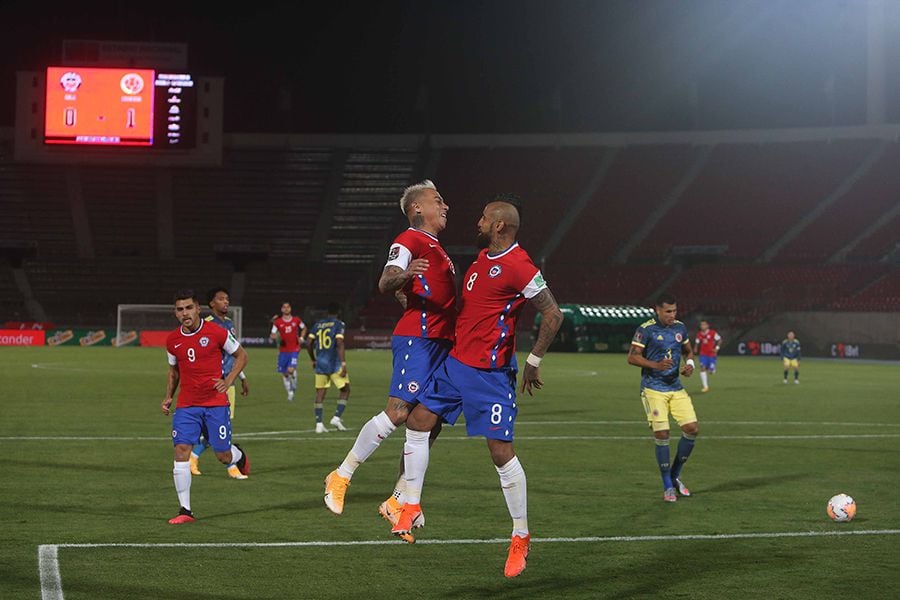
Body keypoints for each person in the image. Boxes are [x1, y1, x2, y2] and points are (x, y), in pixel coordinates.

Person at [392, 197, 563, 578]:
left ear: (500, 225)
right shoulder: (482, 259)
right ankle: (411, 503)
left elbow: (553, 314)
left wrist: (533, 361)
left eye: (485, 217)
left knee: (500, 452)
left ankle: (520, 535)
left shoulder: (520, 265)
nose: (478, 221)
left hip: (491, 373)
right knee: (418, 421)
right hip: (456, 364)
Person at [323, 179, 456, 541]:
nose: (445, 206)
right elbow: (386, 280)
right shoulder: (409, 240)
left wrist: (408, 291)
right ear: (417, 210)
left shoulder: (437, 249)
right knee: (398, 412)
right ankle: (342, 474)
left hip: (442, 344)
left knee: (429, 423)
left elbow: (410, 292)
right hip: (420, 340)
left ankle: (399, 500)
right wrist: (401, 276)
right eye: (437, 200)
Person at [161, 290, 250, 524]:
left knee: (223, 455)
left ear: (198, 308)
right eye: (180, 309)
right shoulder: (173, 340)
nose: (184, 313)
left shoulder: (216, 332)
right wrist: (168, 396)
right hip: (187, 405)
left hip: (215, 404)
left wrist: (229, 380)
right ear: (175, 313)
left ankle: (238, 455)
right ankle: (185, 510)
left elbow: (242, 355)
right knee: (181, 450)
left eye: (188, 308)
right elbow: (174, 372)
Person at [628, 293, 698, 503]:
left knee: (692, 429)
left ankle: (675, 475)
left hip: (675, 387)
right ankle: (667, 484)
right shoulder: (646, 329)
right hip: (653, 389)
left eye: (674, 311)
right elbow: (632, 357)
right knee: (662, 433)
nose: (672, 315)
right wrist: (655, 365)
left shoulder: (680, 328)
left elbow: (688, 351)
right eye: (668, 311)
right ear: (657, 310)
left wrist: (690, 366)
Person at [189, 287, 251, 479]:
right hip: (212, 384)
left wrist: (242, 377)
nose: (226, 302)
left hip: (228, 382)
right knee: (217, 426)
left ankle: (197, 457)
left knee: (221, 426)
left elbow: (234, 354)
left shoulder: (230, 324)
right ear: (211, 304)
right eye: (221, 299)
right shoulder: (206, 324)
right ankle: (229, 465)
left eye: (227, 299)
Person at [307, 302, 350, 434]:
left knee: (320, 394)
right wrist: (343, 363)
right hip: (334, 363)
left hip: (320, 363)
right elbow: (339, 342)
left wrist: (313, 359)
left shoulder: (318, 325)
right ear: (338, 312)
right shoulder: (339, 324)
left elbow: (308, 343)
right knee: (345, 390)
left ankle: (319, 424)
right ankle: (336, 418)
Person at [271, 301, 307, 401]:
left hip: (294, 349)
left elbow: (304, 328)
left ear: (290, 309)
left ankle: (294, 386)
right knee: (285, 373)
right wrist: (275, 337)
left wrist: (302, 338)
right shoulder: (278, 322)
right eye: (284, 307)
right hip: (283, 351)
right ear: (282, 309)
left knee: (291, 370)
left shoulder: (296, 320)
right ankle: (290, 392)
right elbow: (272, 334)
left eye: (288, 307)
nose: (286, 309)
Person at [693, 319, 721, 393]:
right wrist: (695, 348)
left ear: (707, 326)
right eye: (701, 325)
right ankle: (705, 387)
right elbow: (697, 342)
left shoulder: (712, 333)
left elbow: (720, 340)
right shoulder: (699, 334)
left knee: (711, 371)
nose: (702, 326)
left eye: (704, 324)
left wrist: (717, 348)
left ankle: (712, 368)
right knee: (702, 368)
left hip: (711, 354)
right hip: (703, 354)